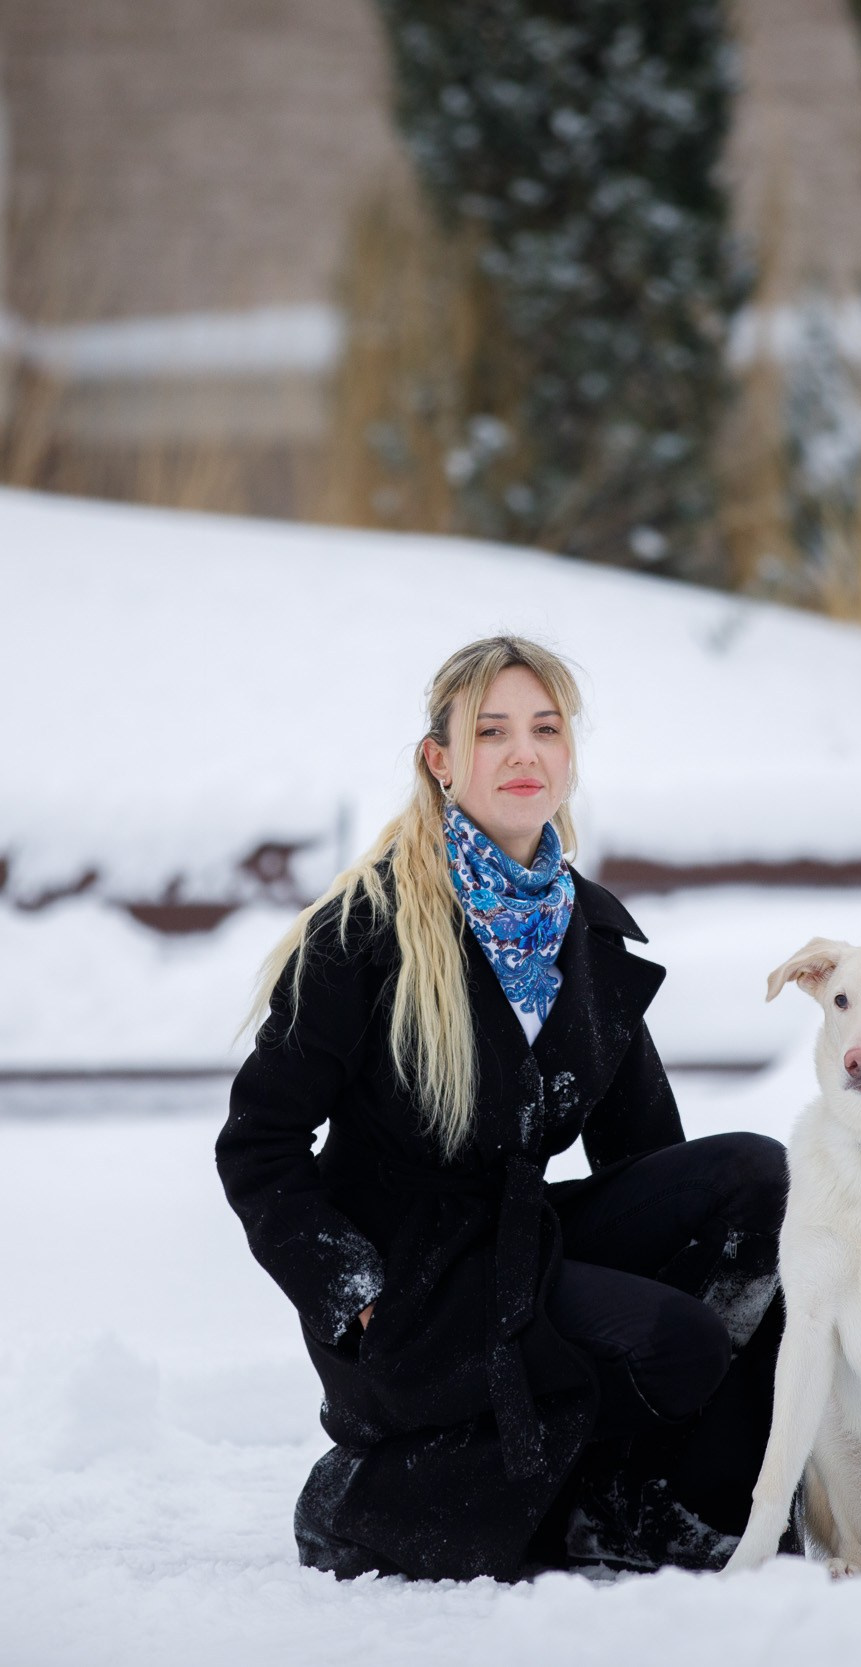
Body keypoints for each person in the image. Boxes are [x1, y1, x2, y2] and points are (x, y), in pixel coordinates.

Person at [216, 636, 790, 1581]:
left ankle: (663, 1495)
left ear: (569, 755)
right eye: (491, 733)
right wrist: (347, 1291)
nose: (523, 755)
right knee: (673, 1342)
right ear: (440, 760)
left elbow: (650, 1158)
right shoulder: (366, 927)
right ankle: (369, 1499)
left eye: (545, 729)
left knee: (757, 1175)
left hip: (523, 1250)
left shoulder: (585, 933)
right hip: (414, 1291)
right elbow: (258, 1143)